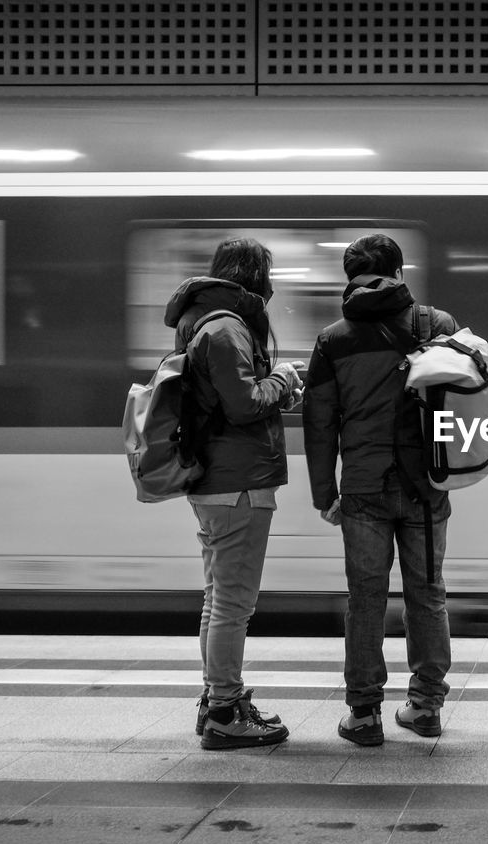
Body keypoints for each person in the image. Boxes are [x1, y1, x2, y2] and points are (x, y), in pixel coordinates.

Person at [303, 233, 459, 746]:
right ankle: (426, 707)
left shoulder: (333, 339)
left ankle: (365, 714)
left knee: (366, 598)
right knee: (427, 593)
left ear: (350, 278)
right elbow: (456, 407)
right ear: (398, 268)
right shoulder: (436, 326)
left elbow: (320, 420)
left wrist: (324, 491)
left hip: (365, 487)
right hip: (425, 486)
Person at [164, 236, 304, 749]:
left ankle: (216, 697)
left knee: (217, 597)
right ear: (252, 277)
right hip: (237, 481)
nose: (271, 287)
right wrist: (284, 380)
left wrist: (274, 386)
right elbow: (244, 404)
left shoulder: (209, 322)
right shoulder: (227, 328)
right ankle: (225, 708)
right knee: (233, 603)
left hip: (220, 478)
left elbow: (232, 399)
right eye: (267, 275)